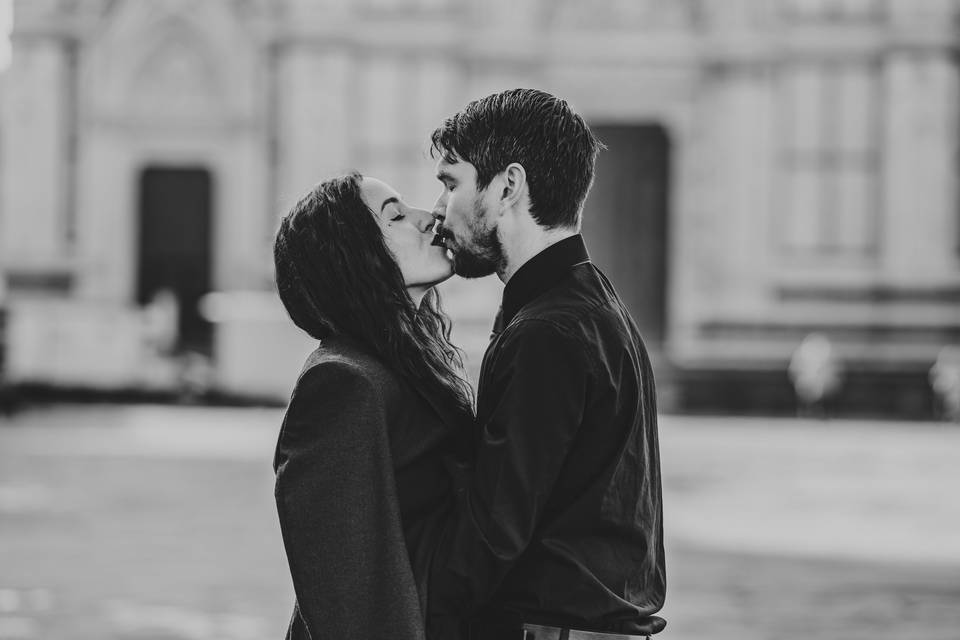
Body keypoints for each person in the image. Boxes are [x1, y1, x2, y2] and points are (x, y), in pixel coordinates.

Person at [427, 88, 667, 639]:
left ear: (508, 186)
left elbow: (494, 530)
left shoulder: (547, 331)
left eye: (451, 182)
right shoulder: (594, 306)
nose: (440, 207)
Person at [272, 172, 474, 639]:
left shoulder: (406, 367)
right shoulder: (342, 380)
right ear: (354, 256)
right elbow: (346, 584)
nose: (431, 218)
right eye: (397, 216)